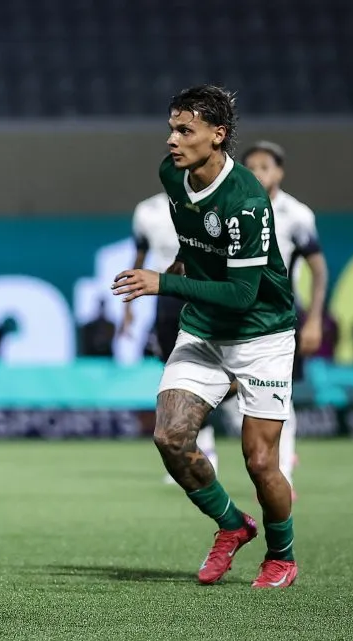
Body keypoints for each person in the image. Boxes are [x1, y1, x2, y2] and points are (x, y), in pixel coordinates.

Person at [112, 85, 298, 588]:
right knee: (170, 436)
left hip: (261, 335)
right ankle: (232, 525)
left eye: (184, 130)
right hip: (203, 330)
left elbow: (241, 294)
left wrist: (162, 281)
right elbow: (195, 240)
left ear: (218, 136)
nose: (172, 140)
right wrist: (180, 265)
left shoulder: (246, 200)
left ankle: (281, 556)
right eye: (171, 128)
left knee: (260, 462)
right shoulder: (172, 174)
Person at [242, 140, 331, 496]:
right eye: (251, 167)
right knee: (236, 397)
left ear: (279, 172)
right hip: (237, 311)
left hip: (278, 315)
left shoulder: (296, 215)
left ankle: (283, 473)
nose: (258, 173)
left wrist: (313, 320)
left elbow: (319, 270)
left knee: (280, 395)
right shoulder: (234, 206)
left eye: (265, 166)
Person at [120, 193, 219, 481]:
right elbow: (138, 260)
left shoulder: (217, 201)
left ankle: (272, 447)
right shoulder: (146, 211)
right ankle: (202, 449)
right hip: (168, 299)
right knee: (175, 375)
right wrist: (127, 309)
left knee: (219, 375)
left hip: (207, 295)